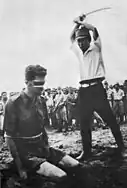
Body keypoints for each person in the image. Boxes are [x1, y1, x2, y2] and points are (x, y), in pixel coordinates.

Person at [3, 65, 92, 188]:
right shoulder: (13, 103)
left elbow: (42, 128)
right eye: (37, 83)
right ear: (27, 83)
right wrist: (20, 167)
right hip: (26, 154)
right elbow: (9, 137)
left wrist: (47, 149)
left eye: (43, 83)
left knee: (77, 166)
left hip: (43, 148)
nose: (42, 87)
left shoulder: (41, 100)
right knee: (61, 177)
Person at [70, 14, 125, 161]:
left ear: (89, 40)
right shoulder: (78, 52)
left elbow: (94, 29)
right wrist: (76, 25)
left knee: (110, 119)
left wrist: (82, 22)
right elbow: (71, 39)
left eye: (83, 40)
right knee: (84, 123)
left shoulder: (96, 48)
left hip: (97, 89)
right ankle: (86, 152)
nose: (80, 44)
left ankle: (122, 148)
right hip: (84, 91)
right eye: (79, 41)